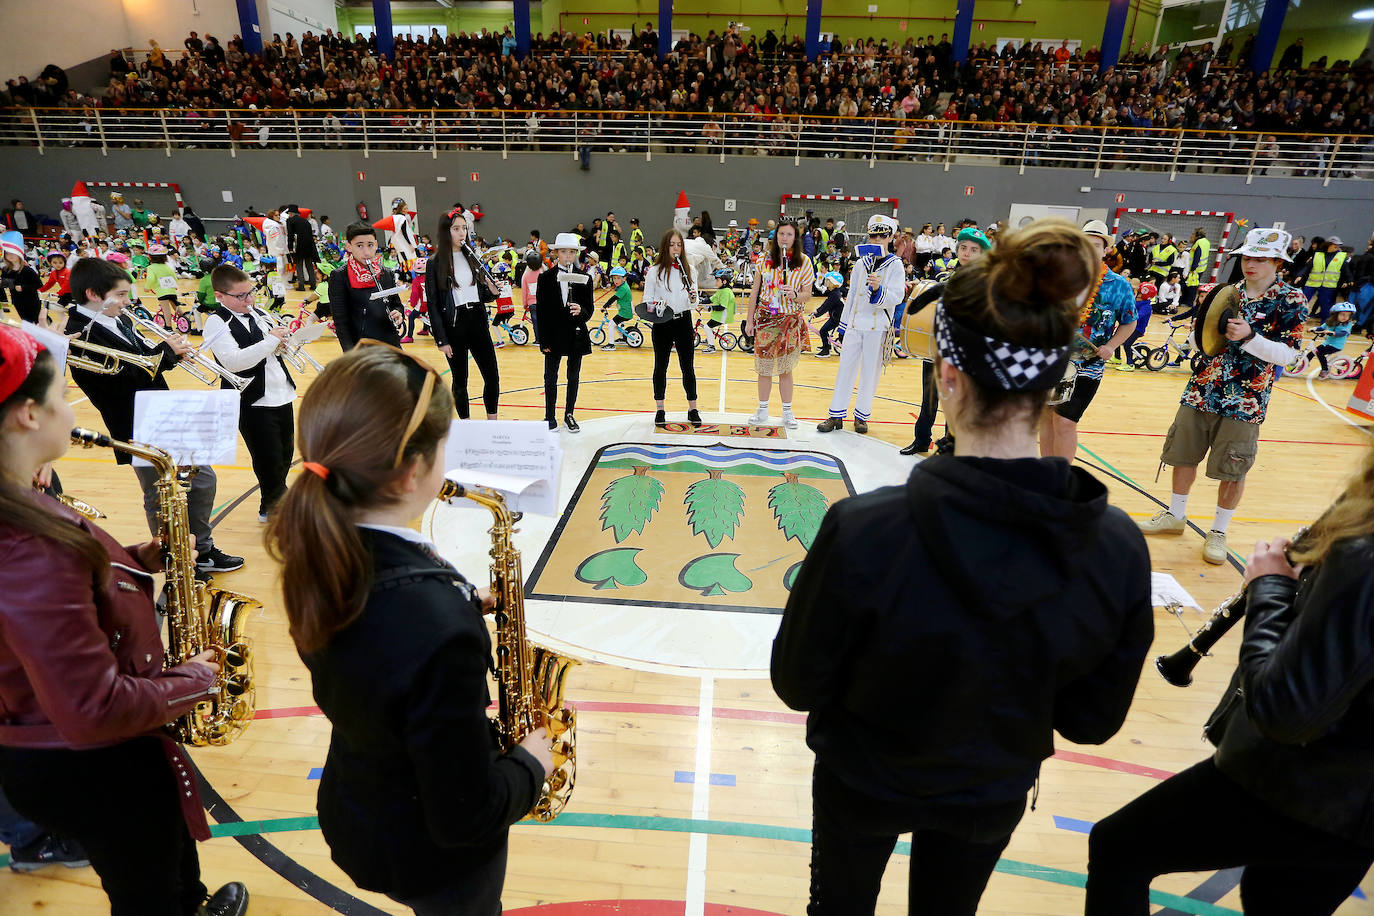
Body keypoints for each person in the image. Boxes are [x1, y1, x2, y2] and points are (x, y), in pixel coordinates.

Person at [772, 221, 1152, 915]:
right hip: (993, 786)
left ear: (949, 378)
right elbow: (1091, 721)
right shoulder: (1117, 547)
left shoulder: (865, 530)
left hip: (862, 779)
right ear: (1053, 386)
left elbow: (798, 683)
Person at [265, 343, 553, 916]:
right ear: (413, 472)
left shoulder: (324, 550)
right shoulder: (438, 629)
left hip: (362, 810)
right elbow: (466, 814)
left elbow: (381, 652)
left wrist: (460, 601)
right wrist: (532, 763)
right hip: (434, 858)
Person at [0, 323, 249, 916]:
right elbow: (94, 712)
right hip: (92, 764)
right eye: (62, 395)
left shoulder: (22, 505)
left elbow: (65, 592)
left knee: (163, 870)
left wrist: (139, 558)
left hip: (78, 755)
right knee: (148, 894)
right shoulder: (26, 545)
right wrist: (197, 678)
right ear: (29, 416)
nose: (70, 410)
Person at [1086, 446, 1374, 915]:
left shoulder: (1363, 551)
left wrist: (1270, 588)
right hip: (1353, 811)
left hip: (1296, 786)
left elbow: (1284, 709)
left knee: (1120, 848)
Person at [1138, 227, 1309, 565]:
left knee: (1233, 466)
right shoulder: (1226, 292)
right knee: (1183, 453)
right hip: (1202, 387)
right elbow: (1203, 336)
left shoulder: (1292, 300)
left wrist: (1250, 339)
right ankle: (1175, 515)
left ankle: (1218, 530)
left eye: (1260, 259)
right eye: (1247, 256)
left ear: (1277, 262)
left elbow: (1290, 356)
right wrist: (1194, 340)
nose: (1251, 264)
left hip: (1246, 398)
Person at [64, 257, 242, 575]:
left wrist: (167, 353)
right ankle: (174, 559)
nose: (126, 301)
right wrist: (166, 354)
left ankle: (199, 548)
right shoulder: (78, 336)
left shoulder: (117, 319)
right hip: (134, 424)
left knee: (202, 481)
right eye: (119, 295)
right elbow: (115, 384)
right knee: (161, 494)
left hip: (163, 413)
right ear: (93, 294)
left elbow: (144, 359)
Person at [203, 264, 297, 524]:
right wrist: (270, 342)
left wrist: (283, 344)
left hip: (280, 391)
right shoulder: (216, 322)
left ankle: (271, 505)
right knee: (268, 457)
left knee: (285, 454)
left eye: (251, 292)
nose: (249, 300)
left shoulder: (258, 313)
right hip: (250, 399)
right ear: (220, 296)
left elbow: (270, 352)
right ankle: (277, 507)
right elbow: (233, 362)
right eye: (241, 296)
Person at [1039, 220, 1137, 461]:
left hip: (1088, 365)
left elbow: (1129, 321)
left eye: (1095, 245)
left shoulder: (1119, 285)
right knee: (1047, 417)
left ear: (1105, 250)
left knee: (1064, 421)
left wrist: (1112, 345)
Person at [899, 227, 991, 456]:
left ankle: (952, 447)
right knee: (928, 397)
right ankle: (921, 440)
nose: (967, 253)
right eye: (963, 248)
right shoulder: (949, 274)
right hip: (938, 347)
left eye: (973, 250)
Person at [817, 215, 906, 435]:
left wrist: (878, 289)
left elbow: (897, 296)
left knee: (870, 372)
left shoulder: (895, 265)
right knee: (845, 369)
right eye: (873, 235)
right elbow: (853, 297)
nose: (877, 239)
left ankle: (861, 415)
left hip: (878, 326)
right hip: (856, 324)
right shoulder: (860, 264)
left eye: (882, 235)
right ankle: (836, 414)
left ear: (891, 237)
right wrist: (843, 327)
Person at [424, 209, 501, 420]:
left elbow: (479, 293)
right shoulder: (435, 262)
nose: (462, 234)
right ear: (445, 232)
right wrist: (441, 338)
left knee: (492, 376)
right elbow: (433, 303)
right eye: (456, 229)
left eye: (464, 228)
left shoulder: (471, 256)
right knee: (460, 380)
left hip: (476, 319)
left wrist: (492, 291)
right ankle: (466, 425)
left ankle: (492, 424)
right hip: (454, 325)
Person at [746, 220, 814, 429]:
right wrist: (749, 320)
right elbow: (755, 292)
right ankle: (763, 409)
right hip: (766, 317)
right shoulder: (764, 259)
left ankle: (787, 411)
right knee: (764, 368)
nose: (784, 238)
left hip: (790, 320)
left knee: (785, 369)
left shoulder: (803, 262)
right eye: (781, 234)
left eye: (789, 235)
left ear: (796, 238)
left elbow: (807, 294)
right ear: (776, 237)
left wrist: (795, 295)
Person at [643, 229, 703, 428]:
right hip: (662, 322)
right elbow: (646, 300)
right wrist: (655, 305)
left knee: (688, 367)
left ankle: (692, 408)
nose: (676, 248)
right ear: (665, 247)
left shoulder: (690, 270)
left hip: (683, 320)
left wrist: (693, 298)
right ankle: (660, 409)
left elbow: (693, 302)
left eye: (679, 245)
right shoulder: (655, 271)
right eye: (672, 244)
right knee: (661, 366)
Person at [535, 233, 593, 432]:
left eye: (571, 252)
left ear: (576, 254)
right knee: (550, 376)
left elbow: (589, 308)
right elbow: (541, 312)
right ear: (556, 253)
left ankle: (569, 413)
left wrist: (581, 312)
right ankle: (549, 416)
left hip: (575, 334)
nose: (568, 256)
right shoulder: (545, 278)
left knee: (573, 375)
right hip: (553, 335)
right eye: (563, 252)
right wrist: (543, 342)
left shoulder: (584, 277)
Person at [328, 222, 404, 351]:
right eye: (359, 246)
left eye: (370, 245)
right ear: (349, 246)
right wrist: (350, 353)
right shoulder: (340, 276)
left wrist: (398, 312)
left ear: (376, 244)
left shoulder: (385, 273)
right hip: (361, 346)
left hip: (390, 342)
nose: (367, 252)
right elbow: (341, 321)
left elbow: (395, 303)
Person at [1296, 236, 1352, 322]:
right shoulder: (1317, 254)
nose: (1337, 247)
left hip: (1328, 285)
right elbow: (1307, 267)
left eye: (1338, 245)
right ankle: (1297, 319)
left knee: (1326, 305)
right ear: (1328, 245)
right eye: (1334, 245)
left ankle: (1324, 324)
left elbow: (1346, 269)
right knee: (1303, 301)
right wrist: (1300, 275)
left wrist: (1349, 279)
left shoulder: (1341, 256)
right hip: (1312, 283)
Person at [2, 231, 42, 323]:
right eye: (7, 253)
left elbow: (39, 284)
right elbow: (6, 285)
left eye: (13, 253)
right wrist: (4, 283)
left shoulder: (27, 270)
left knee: (37, 322)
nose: (10, 255)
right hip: (17, 301)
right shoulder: (5, 270)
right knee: (25, 322)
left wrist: (23, 287)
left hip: (32, 301)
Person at [1315, 303, 1356, 379]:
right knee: (1313, 352)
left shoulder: (1348, 325)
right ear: (1335, 315)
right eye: (1342, 314)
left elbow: (1342, 333)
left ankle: (1325, 370)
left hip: (1336, 345)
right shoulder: (1330, 322)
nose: (1345, 317)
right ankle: (1303, 365)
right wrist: (1314, 328)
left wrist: (1333, 333)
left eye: (1348, 315)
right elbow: (1321, 327)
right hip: (1327, 343)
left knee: (1320, 353)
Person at [285, 205, 318, 291]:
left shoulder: (290, 220)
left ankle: (301, 286)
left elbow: (290, 235)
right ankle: (313, 285)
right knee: (309, 265)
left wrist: (290, 248)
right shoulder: (306, 221)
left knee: (299, 266)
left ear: (291, 213)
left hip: (299, 245)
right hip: (309, 246)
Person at [601, 265, 634, 350]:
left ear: (624, 278)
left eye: (618, 278)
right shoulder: (623, 285)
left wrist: (605, 306)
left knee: (611, 324)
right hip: (624, 311)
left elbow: (614, 298)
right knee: (616, 324)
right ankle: (623, 338)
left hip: (625, 313)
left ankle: (611, 344)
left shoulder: (623, 288)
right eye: (614, 278)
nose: (616, 281)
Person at [1181, 227, 1211, 309]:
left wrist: (1193, 269)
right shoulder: (1206, 242)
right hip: (1201, 268)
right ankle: (1186, 301)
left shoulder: (1199, 243)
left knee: (1191, 286)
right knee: (1193, 285)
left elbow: (1197, 256)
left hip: (1195, 269)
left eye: (1193, 234)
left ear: (1197, 236)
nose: (1191, 236)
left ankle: (1187, 302)